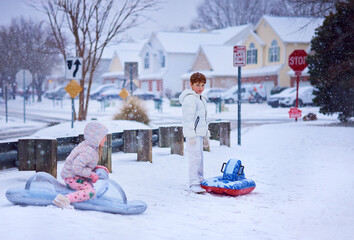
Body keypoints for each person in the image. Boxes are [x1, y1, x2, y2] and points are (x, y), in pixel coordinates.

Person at [53, 121, 109, 209]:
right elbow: (76, 167)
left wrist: (96, 168)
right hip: (72, 177)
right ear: (96, 138)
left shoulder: (90, 147)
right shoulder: (89, 151)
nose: (106, 139)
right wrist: (90, 174)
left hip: (74, 176)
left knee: (90, 188)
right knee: (90, 192)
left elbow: (84, 164)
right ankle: (64, 199)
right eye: (104, 136)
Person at [179, 72, 209, 194]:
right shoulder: (190, 99)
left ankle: (200, 180)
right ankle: (193, 183)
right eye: (197, 85)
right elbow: (188, 118)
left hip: (200, 133)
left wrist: (206, 135)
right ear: (191, 84)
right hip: (193, 134)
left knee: (200, 158)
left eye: (202, 85)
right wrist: (190, 135)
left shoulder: (201, 98)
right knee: (194, 158)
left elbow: (203, 119)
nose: (200, 88)